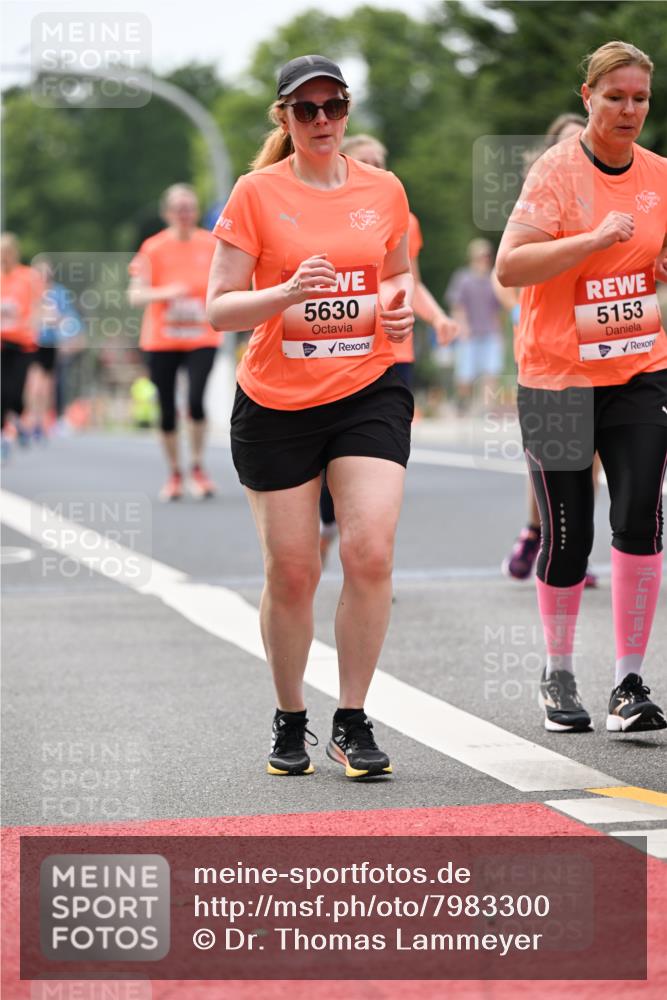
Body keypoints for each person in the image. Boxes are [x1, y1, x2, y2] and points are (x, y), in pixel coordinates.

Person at [207, 55, 415, 778]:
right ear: (284, 118)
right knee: (292, 573)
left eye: (333, 108)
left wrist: (393, 299)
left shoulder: (382, 189)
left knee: (369, 551)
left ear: (347, 111)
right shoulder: (256, 193)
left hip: (367, 387)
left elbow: (395, 269)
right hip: (276, 401)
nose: (322, 121)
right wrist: (285, 292)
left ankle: (352, 719)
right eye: (306, 110)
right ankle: (290, 715)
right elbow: (219, 306)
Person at [496, 40, 667, 734]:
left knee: (638, 514)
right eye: (614, 96)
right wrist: (593, 240)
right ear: (586, 97)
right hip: (556, 376)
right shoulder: (555, 174)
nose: (627, 110)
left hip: (637, 368)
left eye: (639, 98)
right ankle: (557, 672)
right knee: (567, 537)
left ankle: (628, 681)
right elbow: (510, 265)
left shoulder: (659, 173)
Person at [319, 133, 458, 564]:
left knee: (379, 461)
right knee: (330, 464)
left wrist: (437, 318)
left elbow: (407, 278)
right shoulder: (321, 209)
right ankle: (327, 528)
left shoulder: (402, 216)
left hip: (394, 356)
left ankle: (369, 561)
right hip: (338, 353)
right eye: (366, 160)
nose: (376, 166)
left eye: (382, 159)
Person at [498, 114, 600, 587]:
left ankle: (573, 544)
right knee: (556, 451)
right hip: (551, 345)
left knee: (592, 454)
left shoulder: (616, 190)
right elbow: (510, 267)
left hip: (604, 343)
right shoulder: (539, 196)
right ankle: (537, 531)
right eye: (564, 145)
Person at [128, 184, 221, 500]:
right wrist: (167, 293)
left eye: (190, 208)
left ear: (196, 212)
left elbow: (228, 284)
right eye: (178, 208)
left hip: (202, 336)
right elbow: (135, 294)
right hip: (162, 339)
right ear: (167, 213)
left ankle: (197, 466)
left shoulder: (211, 245)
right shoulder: (152, 248)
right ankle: (174, 473)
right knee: (166, 408)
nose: (184, 214)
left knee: (195, 401)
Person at [26, 259, 83, 441]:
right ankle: (32, 419)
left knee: (47, 385)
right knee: (34, 384)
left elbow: (69, 317)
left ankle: (43, 421)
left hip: (51, 343)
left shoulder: (58, 293)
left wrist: (71, 337)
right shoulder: (28, 291)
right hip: (29, 343)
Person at [445, 238, 504, 414]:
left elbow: (498, 308)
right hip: (469, 333)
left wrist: (498, 329)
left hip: (490, 331)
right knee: (465, 373)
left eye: (487, 256)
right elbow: (457, 305)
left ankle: (487, 407)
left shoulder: (493, 279)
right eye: (481, 256)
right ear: (472, 257)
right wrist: (462, 328)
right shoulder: (463, 278)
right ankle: (463, 404)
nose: (485, 259)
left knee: (492, 370)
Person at [1, 233, 43, 457]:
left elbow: (38, 304)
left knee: (16, 391)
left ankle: (17, 415)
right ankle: (3, 436)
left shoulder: (27, 276)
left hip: (22, 343)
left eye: (7, 253)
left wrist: (33, 323)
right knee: (2, 391)